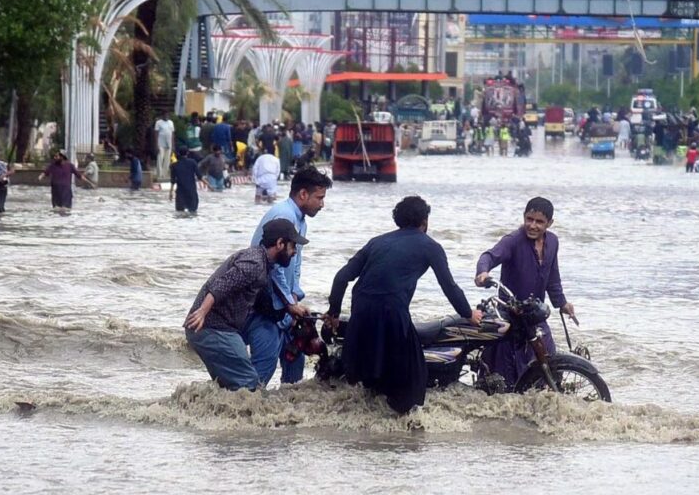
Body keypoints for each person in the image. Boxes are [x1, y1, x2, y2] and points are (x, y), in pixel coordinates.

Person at [326, 196, 482, 414]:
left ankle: (367, 419)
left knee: (376, 367)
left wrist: (333, 312)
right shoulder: (430, 246)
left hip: (361, 309)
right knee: (414, 376)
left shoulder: (377, 242)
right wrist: (468, 313)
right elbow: (449, 286)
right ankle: (404, 428)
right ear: (425, 221)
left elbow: (342, 277)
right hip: (392, 311)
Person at [185, 219, 308, 392]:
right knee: (249, 385)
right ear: (280, 244)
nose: (295, 252)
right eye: (293, 246)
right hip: (211, 328)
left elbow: (265, 305)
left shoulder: (264, 263)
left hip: (216, 328)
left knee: (226, 389)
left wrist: (290, 309)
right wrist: (202, 312)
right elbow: (222, 285)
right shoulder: (255, 264)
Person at [473, 197, 576, 387]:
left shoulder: (552, 242)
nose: (532, 225)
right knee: (504, 375)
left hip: (534, 314)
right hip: (509, 313)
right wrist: (483, 272)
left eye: (539, 222)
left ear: (549, 223)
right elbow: (488, 256)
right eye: (529, 219)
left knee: (549, 366)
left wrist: (562, 303)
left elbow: (552, 277)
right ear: (523, 217)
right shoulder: (512, 241)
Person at [246, 167, 332, 386]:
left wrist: (293, 299)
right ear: (303, 194)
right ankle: (243, 413)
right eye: (319, 198)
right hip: (266, 307)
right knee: (263, 368)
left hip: (285, 306)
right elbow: (273, 266)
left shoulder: (300, 219)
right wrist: (289, 302)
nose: (322, 204)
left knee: (296, 362)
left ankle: (287, 416)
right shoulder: (284, 215)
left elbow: (294, 266)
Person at [169, 147, 200, 214]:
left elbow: (173, 181)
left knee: (180, 213)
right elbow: (199, 176)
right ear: (187, 153)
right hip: (191, 192)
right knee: (193, 213)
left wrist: (170, 193)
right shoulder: (193, 162)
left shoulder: (174, 165)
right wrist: (209, 186)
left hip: (180, 193)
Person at [154, 110, 174, 179]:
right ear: (162, 115)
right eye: (165, 115)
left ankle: (164, 175)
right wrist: (156, 145)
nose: (166, 116)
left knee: (167, 160)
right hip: (160, 144)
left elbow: (172, 134)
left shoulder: (171, 122)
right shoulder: (158, 123)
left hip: (169, 144)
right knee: (160, 159)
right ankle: (159, 175)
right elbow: (156, 134)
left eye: (167, 115)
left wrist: (173, 145)